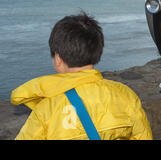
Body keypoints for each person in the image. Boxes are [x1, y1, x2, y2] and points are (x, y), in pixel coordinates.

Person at [10, 12, 153, 140]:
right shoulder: (125, 95)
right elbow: (143, 136)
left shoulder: (47, 109)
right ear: (98, 51)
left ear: (58, 59)